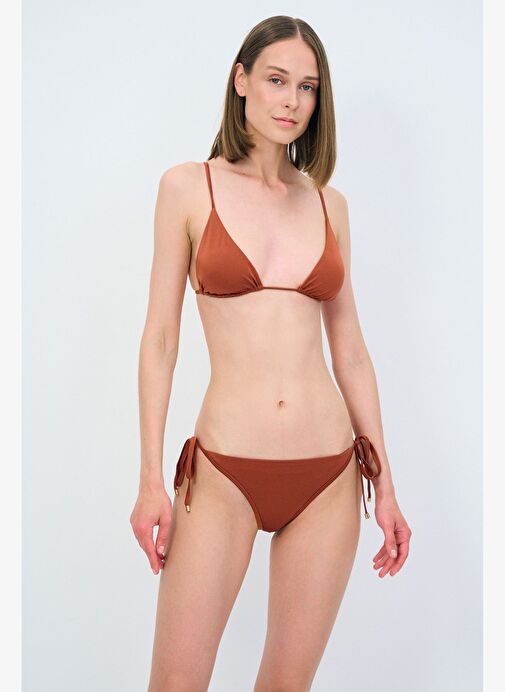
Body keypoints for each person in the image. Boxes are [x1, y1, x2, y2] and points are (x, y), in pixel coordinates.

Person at [130, 15, 412, 692]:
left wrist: (386, 486)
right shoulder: (186, 187)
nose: (292, 101)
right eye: (277, 80)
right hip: (222, 472)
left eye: (307, 87)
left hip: (328, 477)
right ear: (241, 81)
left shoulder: (328, 205)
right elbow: (161, 339)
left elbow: (350, 351)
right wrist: (149, 479)